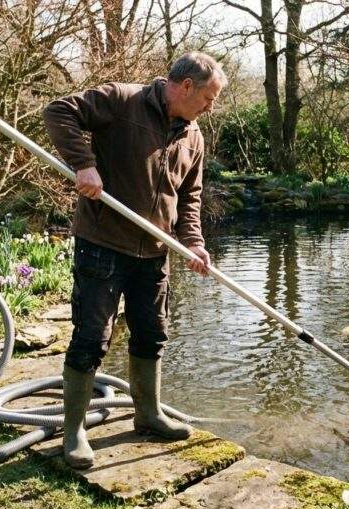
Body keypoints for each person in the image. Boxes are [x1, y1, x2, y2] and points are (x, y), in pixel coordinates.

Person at [43, 52, 226, 469]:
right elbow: (57, 112)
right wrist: (84, 165)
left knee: (152, 333)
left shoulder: (193, 137)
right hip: (103, 243)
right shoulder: (122, 101)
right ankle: (74, 433)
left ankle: (149, 413)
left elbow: (189, 198)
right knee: (92, 337)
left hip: (155, 252)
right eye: (208, 98)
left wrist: (193, 243)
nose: (209, 108)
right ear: (185, 87)